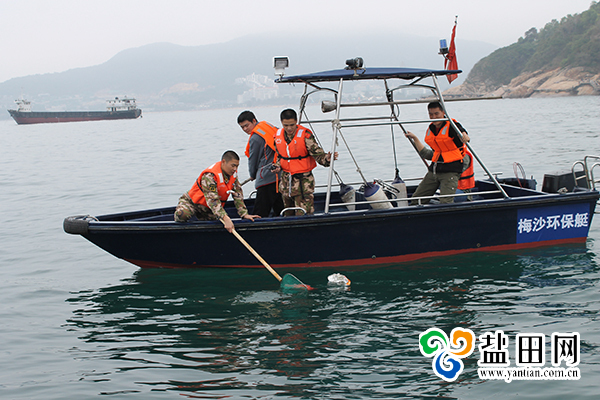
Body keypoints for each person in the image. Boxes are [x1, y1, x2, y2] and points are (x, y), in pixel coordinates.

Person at [272, 108, 338, 215]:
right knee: (287, 214)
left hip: (303, 183)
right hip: (286, 184)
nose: (289, 128)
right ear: (281, 123)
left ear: (296, 121)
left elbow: (318, 154)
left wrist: (327, 159)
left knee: (304, 214)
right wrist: (277, 166)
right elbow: (280, 157)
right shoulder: (277, 136)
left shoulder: (305, 135)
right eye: (286, 125)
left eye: (292, 125)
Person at [174, 150, 260, 232]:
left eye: (237, 166)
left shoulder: (233, 175)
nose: (235, 169)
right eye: (233, 165)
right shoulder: (210, 176)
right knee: (182, 215)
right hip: (193, 203)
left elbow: (238, 194)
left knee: (216, 225)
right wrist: (225, 218)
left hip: (208, 209)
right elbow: (213, 200)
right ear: (223, 162)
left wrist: (244, 214)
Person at [405, 101, 471, 205]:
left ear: (443, 112)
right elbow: (427, 154)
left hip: (450, 171)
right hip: (434, 171)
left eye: (436, 114)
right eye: (431, 114)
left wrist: (464, 135)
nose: (434, 117)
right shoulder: (432, 128)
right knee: (417, 200)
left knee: (445, 202)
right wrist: (415, 138)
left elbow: (461, 130)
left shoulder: (451, 125)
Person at [237, 111, 284, 217]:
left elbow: (253, 159)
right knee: (280, 209)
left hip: (266, 178)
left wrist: (252, 174)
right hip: (279, 176)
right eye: (242, 127)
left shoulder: (255, 138)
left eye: (246, 125)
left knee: (260, 212)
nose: (245, 129)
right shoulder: (268, 126)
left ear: (254, 121)